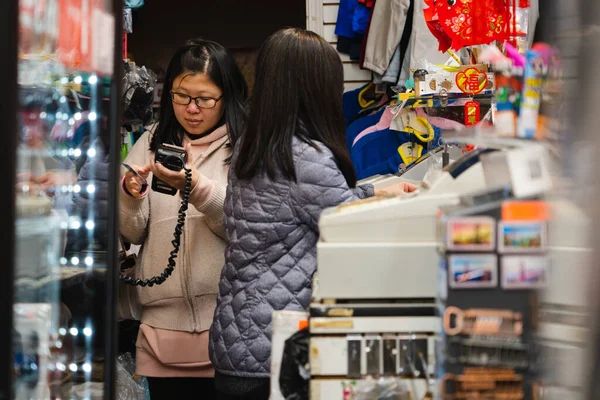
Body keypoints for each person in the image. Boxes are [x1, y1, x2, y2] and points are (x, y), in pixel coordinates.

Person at [208, 28, 416, 399]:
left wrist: (373, 191)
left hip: (239, 337)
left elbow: (306, 203)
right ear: (315, 88)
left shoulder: (255, 145)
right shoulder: (305, 156)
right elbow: (349, 226)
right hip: (273, 349)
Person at [119, 38, 248, 399]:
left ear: (227, 96)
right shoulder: (150, 141)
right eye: (180, 96)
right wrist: (130, 194)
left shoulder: (245, 146)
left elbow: (243, 227)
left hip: (228, 330)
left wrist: (197, 188)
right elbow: (132, 231)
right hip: (162, 332)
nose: (191, 109)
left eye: (205, 99)